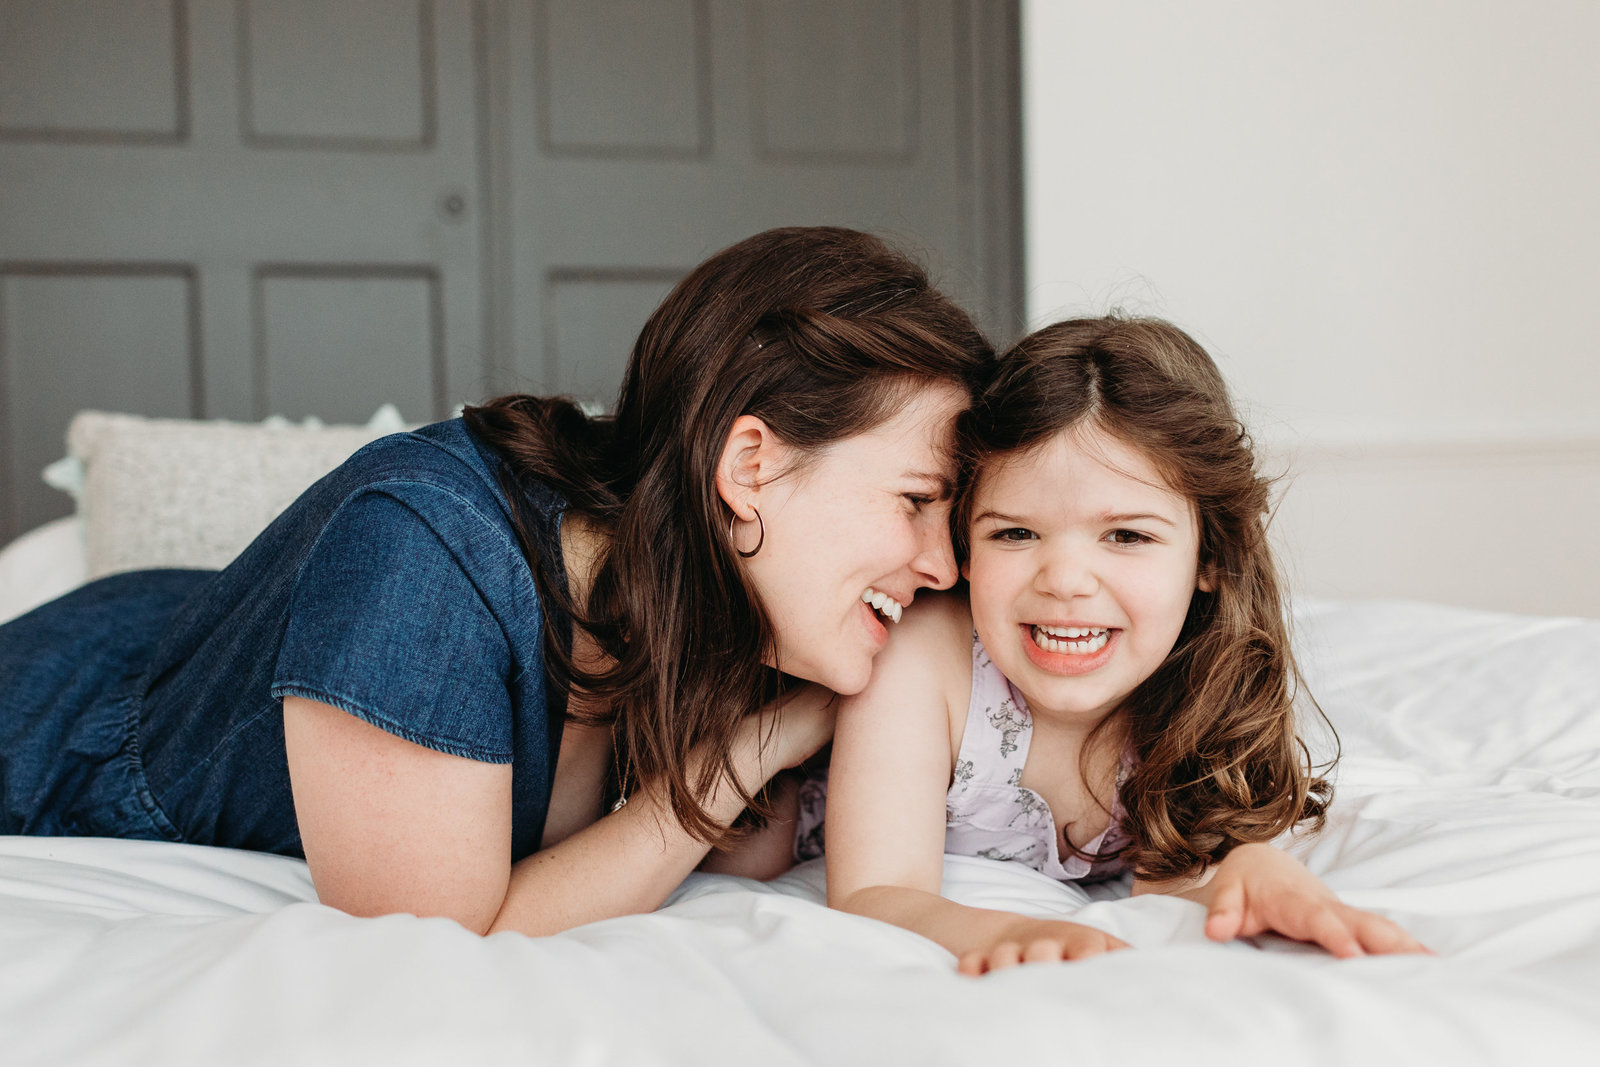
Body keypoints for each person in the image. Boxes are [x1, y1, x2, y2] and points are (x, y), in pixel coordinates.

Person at [0, 226, 993, 937]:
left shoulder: (719, 584)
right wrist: (759, 740)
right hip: (58, 726)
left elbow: (744, 857)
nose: (942, 566)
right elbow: (449, 936)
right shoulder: (424, 557)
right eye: (915, 498)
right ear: (750, 466)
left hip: (205, 620)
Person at [809, 315, 1428, 972]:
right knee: (749, 843)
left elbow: (1173, 878)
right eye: (1015, 533)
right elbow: (878, 890)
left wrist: (1253, 870)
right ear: (965, 547)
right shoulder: (928, 661)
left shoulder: (1204, 684)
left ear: (1209, 557)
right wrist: (995, 933)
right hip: (793, 800)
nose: (1067, 581)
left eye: (1127, 536)